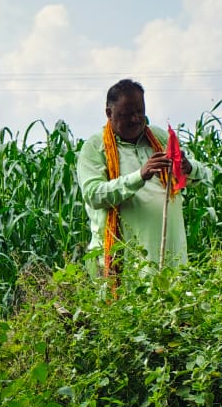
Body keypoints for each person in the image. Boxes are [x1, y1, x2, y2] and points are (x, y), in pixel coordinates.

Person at [77, 78, 211, 277]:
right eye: (127, 114)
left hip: (170, 253)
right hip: (123, 259)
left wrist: (188, 167)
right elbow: (93, 195)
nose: (135, 119)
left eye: (140, 111)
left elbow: (204, 176)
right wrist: (139, 176)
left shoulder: (159, 138)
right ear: (109, 113)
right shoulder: (95, 147)